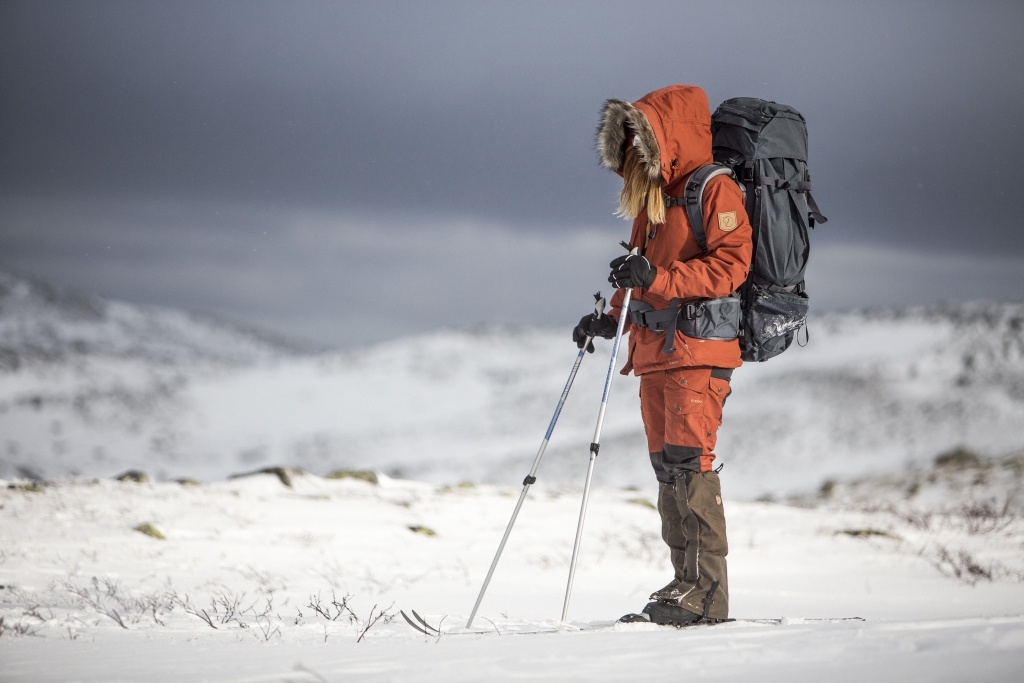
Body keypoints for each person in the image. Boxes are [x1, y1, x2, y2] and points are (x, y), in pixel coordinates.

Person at [572, 85, 752, 626]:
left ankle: (707, 594)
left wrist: (658, 278)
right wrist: (613, 318)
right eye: (626, 143)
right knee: (668, 469)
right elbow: (641, 272)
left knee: (691, 465)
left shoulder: (713, 189)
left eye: (640, 141)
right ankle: (684, 583)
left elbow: (732, 266)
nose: (632, 153)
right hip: (655, 351)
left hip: (697, 349)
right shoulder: (654, 200)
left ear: (665, 139)